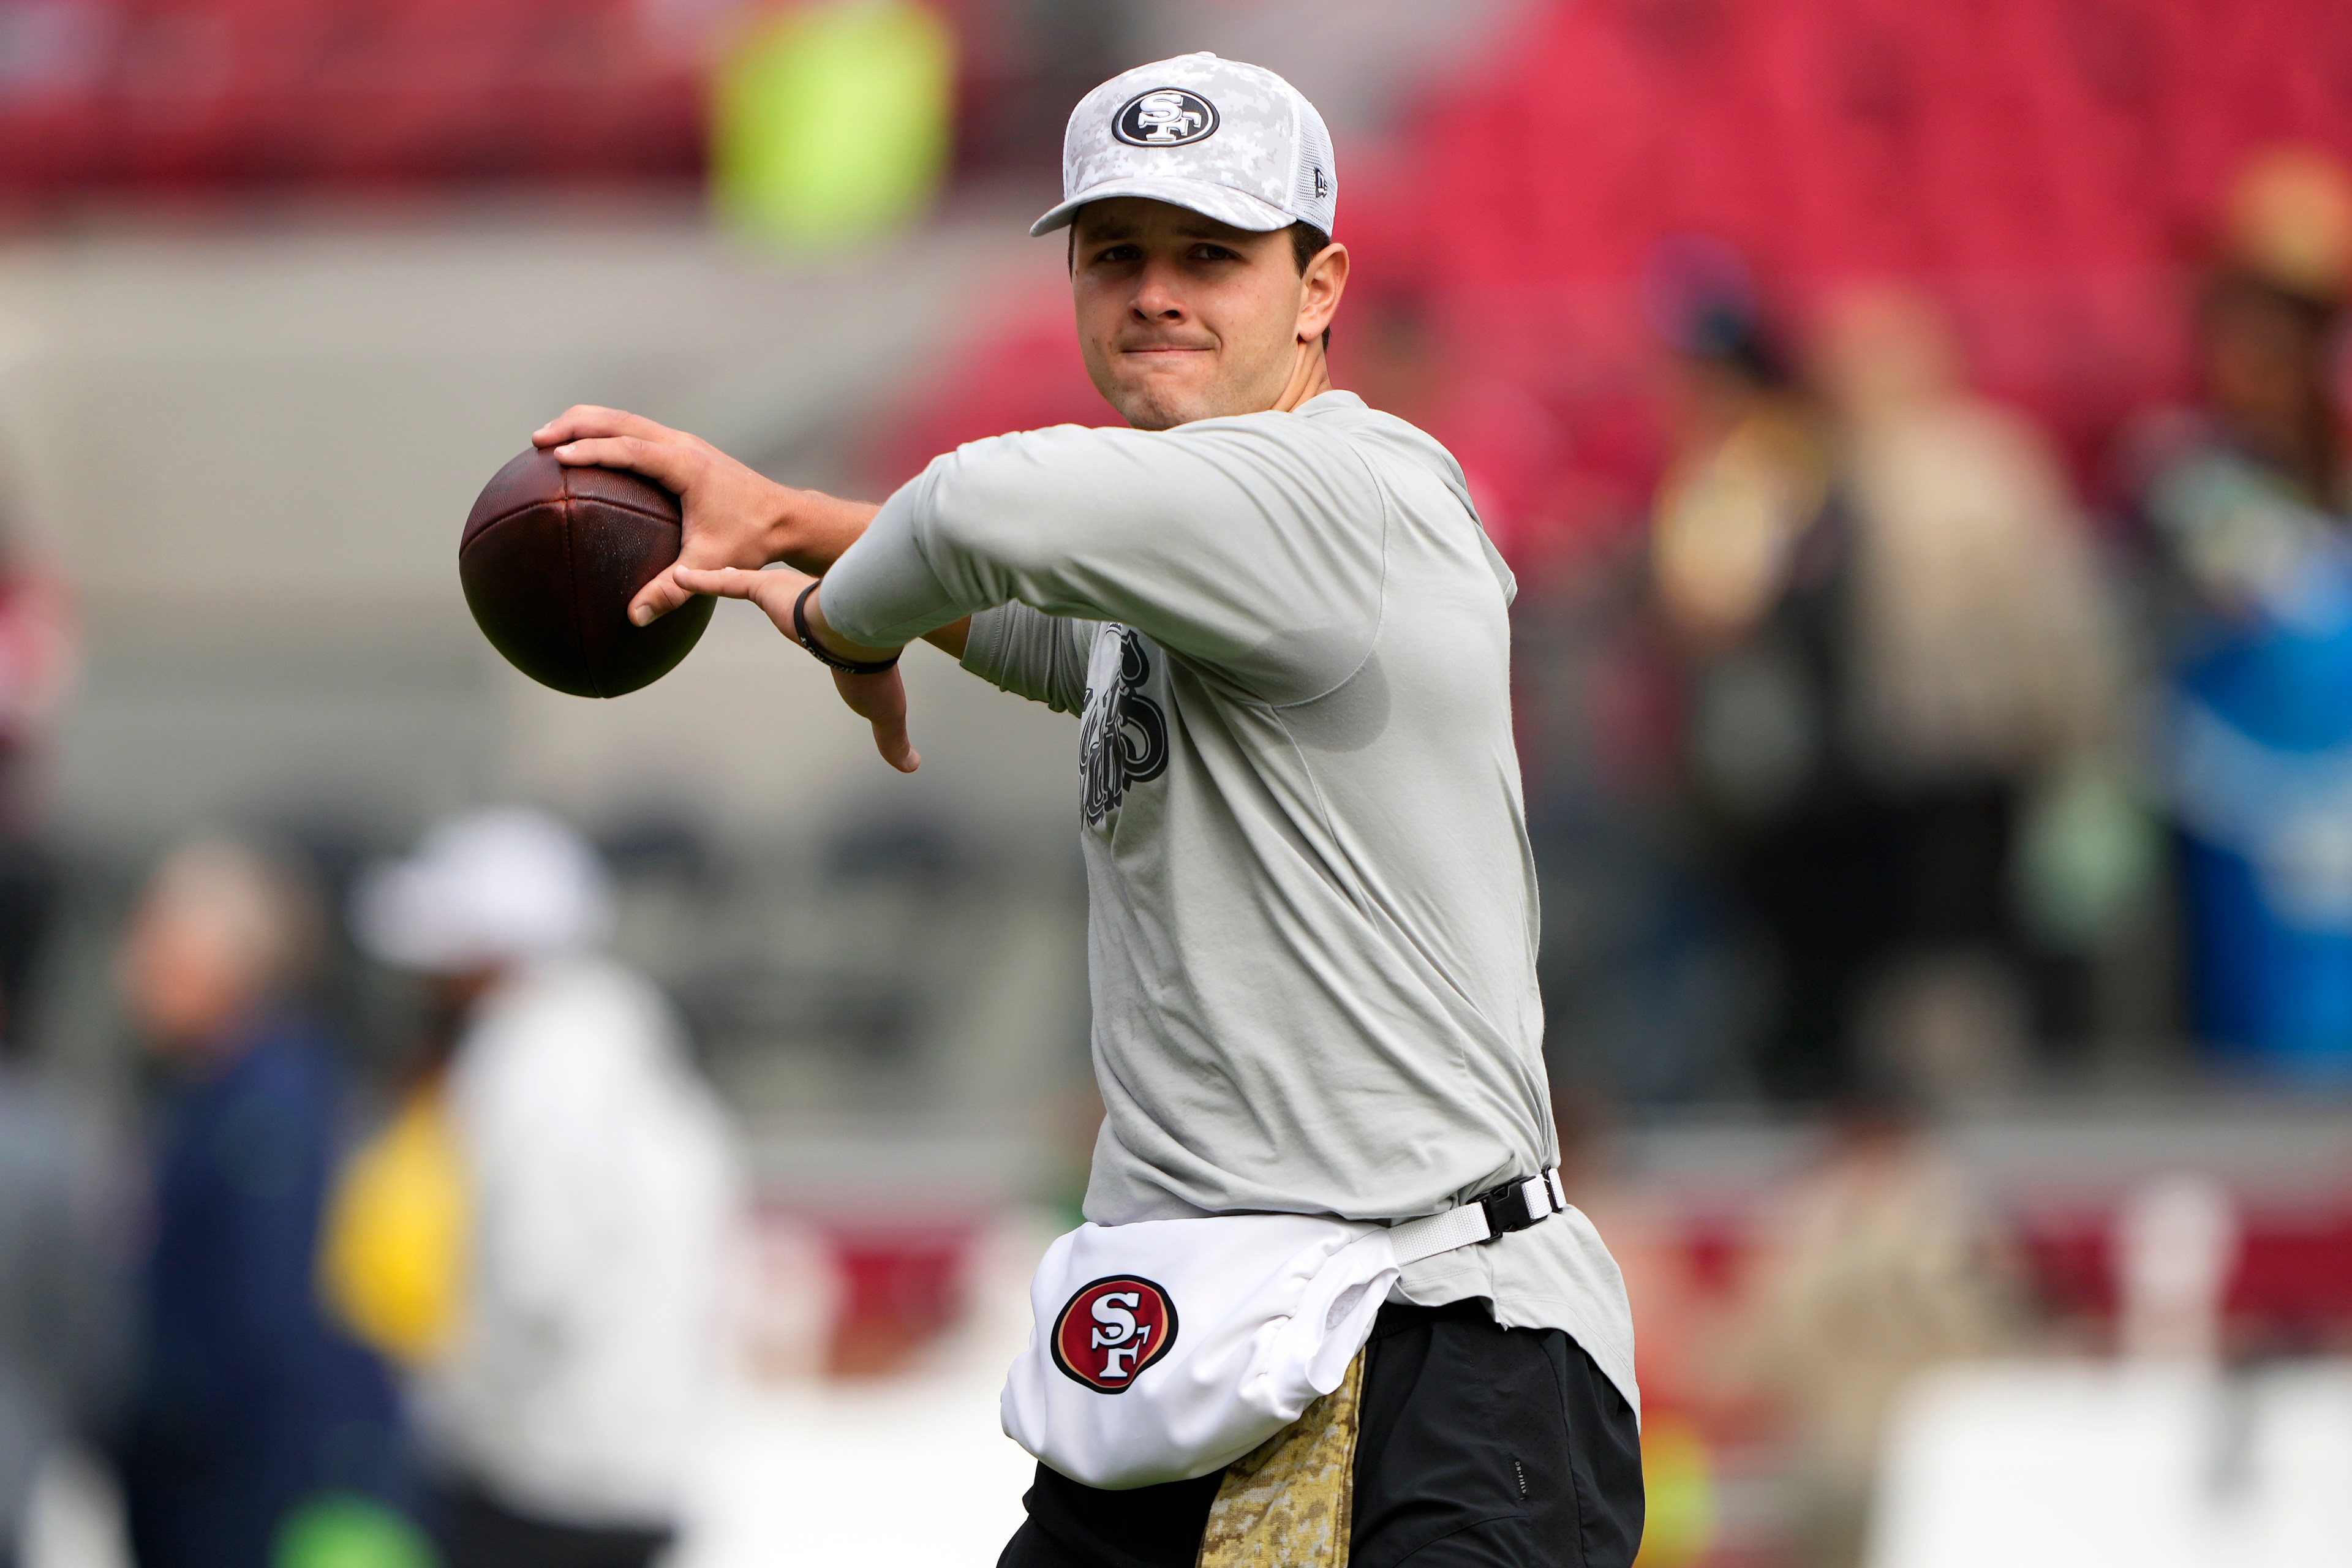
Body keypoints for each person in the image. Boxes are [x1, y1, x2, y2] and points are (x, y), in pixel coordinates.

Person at [533, 52, 1642, 1568]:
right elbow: (1048, 624)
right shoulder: (1196, 550)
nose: (1156, 291)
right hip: (1204, 1334)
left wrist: (856, 623)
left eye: (1211, 254)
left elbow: (979, 516)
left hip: (1438, 1339)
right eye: (1115, 254)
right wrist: (797, 527)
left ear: (1318, 288)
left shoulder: (1344, 491)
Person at [351, 808, 741, 1568]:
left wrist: (450, 1410)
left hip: (545, 1484)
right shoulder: (625, 1044)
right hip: (629, 1471)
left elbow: (534, 1280)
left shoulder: (530, 1064)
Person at [113, 840, 419, 1568]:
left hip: (241, 1487)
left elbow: (267, 1313)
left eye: (154, 942)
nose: (130, 969)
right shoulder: (218, 1085)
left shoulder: (267, 1099)